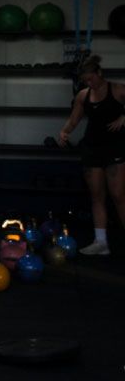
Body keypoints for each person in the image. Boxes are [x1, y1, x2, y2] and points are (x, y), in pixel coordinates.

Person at [59, 54, 125, 256]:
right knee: (97, 196)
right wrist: (65, 132)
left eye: (91, 78)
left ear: (99, 73)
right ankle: (101, 242)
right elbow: (74, 119)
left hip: (115, 148)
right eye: (86, 80)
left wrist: (124, 117)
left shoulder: (118, 89)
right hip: (92, 148)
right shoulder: (83, 96)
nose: (89, 83)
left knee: (119, 196)